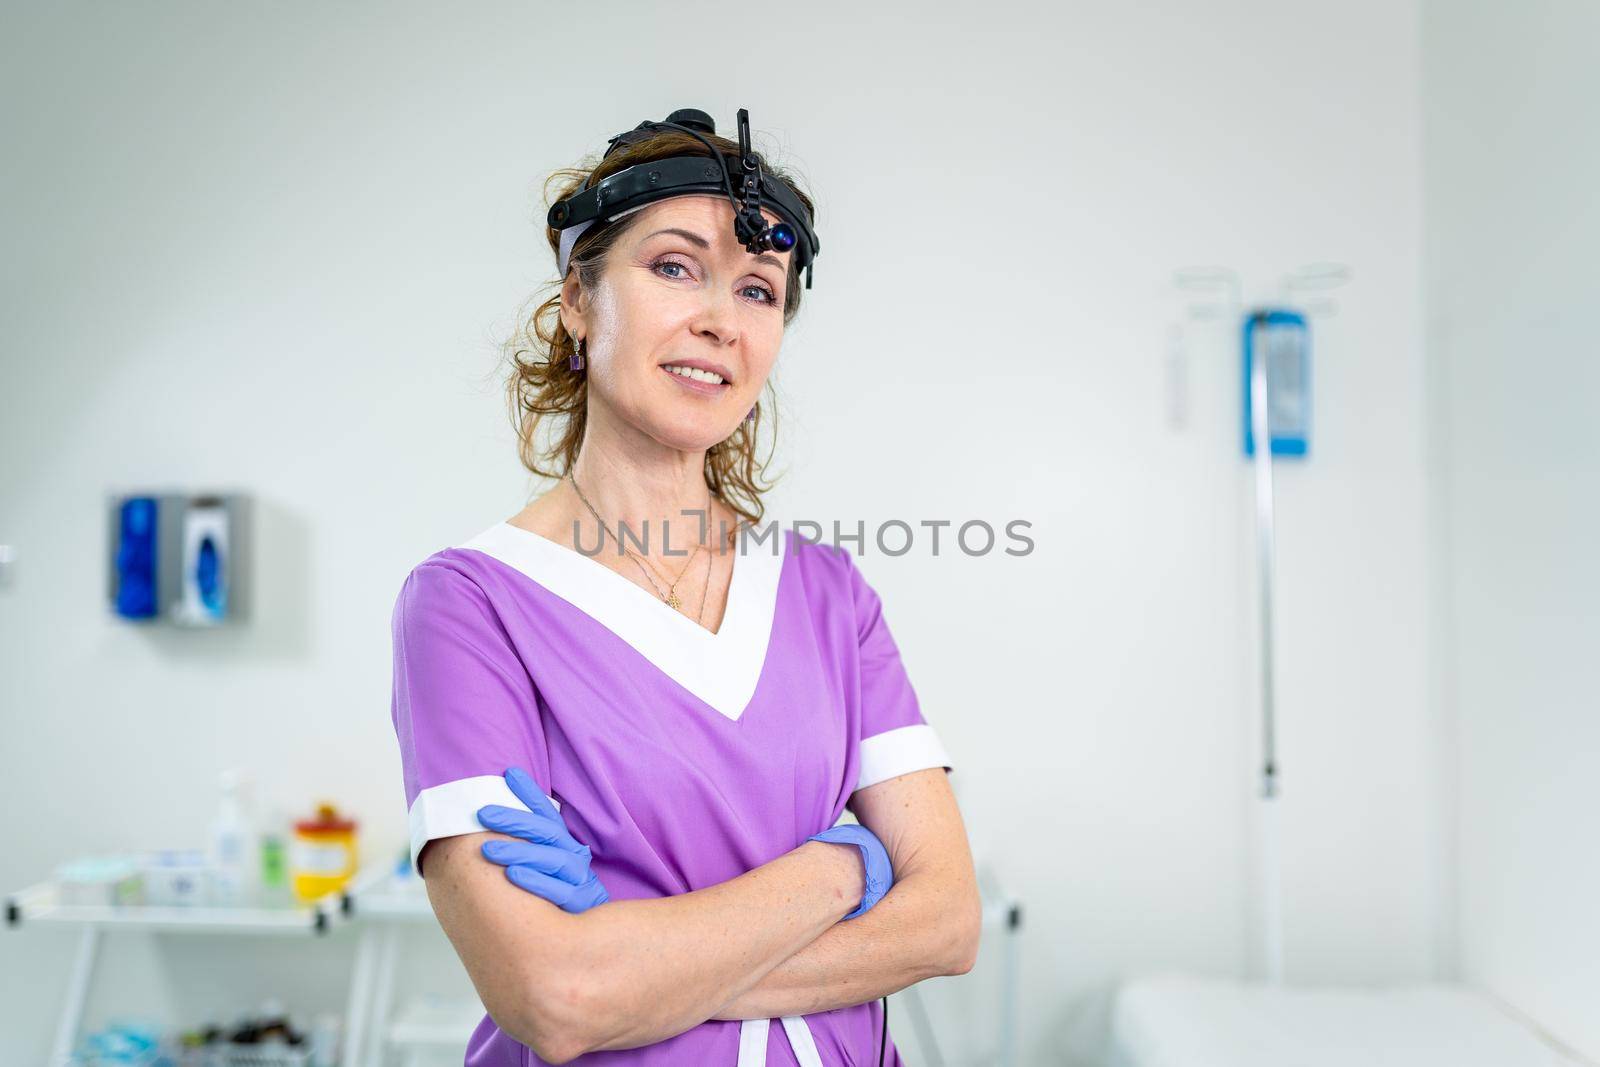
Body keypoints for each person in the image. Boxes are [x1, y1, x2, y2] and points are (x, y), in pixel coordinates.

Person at [389, 109, 981, 1066]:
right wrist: (844, 866)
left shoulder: (828, 594)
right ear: (578, 296)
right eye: (673, 266)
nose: (720, 317)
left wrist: (638, 958)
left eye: (759, 289)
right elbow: (558, 996)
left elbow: (947, 921)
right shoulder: (470, 605)